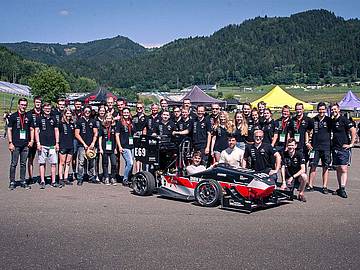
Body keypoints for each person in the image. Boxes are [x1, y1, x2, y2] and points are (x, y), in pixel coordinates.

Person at [330, 103, 356, 198]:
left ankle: (343, 188)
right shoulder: (332, 121)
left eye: (335, 109)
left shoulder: (344, 120)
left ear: (339, 109)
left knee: (343, 168)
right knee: (338, 168)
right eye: (332, 110)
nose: (334, 111)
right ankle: (340, 188)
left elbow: (353, 130)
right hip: (335, 148)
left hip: (344, 148)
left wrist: (351, 144)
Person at [7, 98, 34, 190]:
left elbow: (31, 129)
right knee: (14, 164)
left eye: (25, 105)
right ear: (18, 105)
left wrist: (32, 140)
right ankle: (12, 181)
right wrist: (10, 142)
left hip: (25, 144)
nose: (23, 106)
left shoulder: (29, 116)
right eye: (22, 104)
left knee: (23, 164)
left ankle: (23, 181)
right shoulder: (13, 116)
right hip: (15, 144)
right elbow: (9, 129)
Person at [307, 102, 332, 193]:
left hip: (326, 147)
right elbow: (307, 131)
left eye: (323, 109)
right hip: (315, 147)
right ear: (317, 110)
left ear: (325, 110)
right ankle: (310, 185)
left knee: (325, 167)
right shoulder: (313, 120)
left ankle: (324, 186)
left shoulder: (329, 120)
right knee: (313, 166)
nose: (321, 111)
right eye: (320, 109)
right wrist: (307, 142)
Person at [35, 102, 59, 189]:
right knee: (42, 163)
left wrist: (57, 143)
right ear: (43, 109)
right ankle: (42, 181)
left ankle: (53, 181)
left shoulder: (54, 119)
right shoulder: (39, 119)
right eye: (46, 108)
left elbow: (56, 131)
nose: (47, 109)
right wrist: (38, 143)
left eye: (49, 108)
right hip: (42, 145)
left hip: (52, 145)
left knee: (53, 163)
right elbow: (36, 131)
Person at [75, 105, 99, 185]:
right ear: (83, 112)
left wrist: (93, 143)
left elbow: (96, 133)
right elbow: (77, 134)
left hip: (91, 145)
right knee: (81, 162)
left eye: (89, 111)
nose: (87, 113)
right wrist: (84, 144)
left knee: (92, 162)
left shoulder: (93, 121)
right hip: (82, 146)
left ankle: (91, 177)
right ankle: (80, 178)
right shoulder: (79, 121)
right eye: (86, 111)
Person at [99, 113, 119, 186]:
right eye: (107, 118)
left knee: (114, 163)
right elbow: (100, 138)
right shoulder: (102, 127)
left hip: (113, 148)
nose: (109, 120)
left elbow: (116, 138)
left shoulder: (114, 127)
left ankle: (113, 177)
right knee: (105, 163)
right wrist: (100, 148)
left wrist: (116, 148)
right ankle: (106, 177)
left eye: (110, 118)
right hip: (104, 148)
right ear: (105, 119)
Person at [117, 107, 134, 186]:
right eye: (125, 112)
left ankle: (129, 177)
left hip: (132, 145)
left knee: (130, 163)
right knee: (130, 163)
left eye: (127, 112)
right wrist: (119, 146)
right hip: (124, 146)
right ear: (122, 113)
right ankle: (125, 179)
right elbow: (117, 135)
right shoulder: (120, 122)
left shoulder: (131, 122)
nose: (126, 114)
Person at [58, 107, 75, 187]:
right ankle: (60, 178)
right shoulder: (60, 123)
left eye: (70, 113)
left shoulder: (72, 124)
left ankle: (66, 178)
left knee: (68, 163)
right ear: (64, 114)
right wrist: (57, 144)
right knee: (62, 163)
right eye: (67, 113)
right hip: (63, 145)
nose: (69, 115)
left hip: (70, 145)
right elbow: (57, 134)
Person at [27, 95, 42, 183]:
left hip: (42, 140)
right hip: (32, 139)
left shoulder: (44, 113)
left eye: (39, 103)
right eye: (37, 102)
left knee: (42, 159)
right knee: (30, 159)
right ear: (34, 103)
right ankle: (30, 177)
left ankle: (42, 177)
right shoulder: (29, 114)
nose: (38, 104)